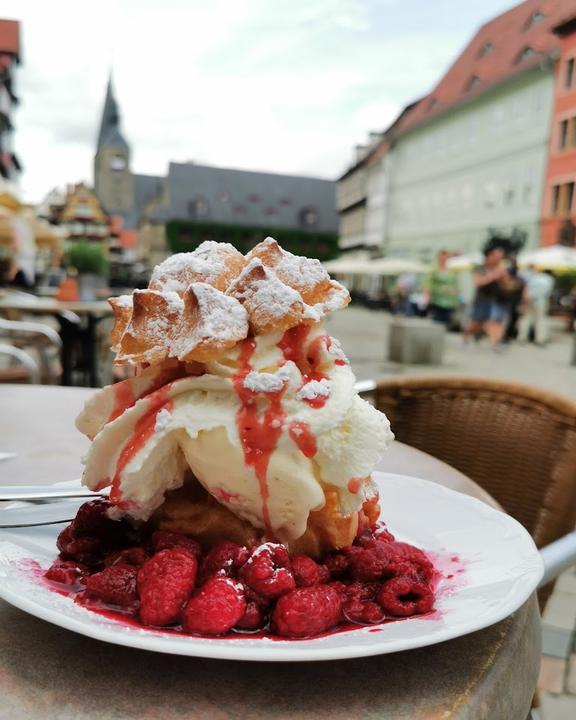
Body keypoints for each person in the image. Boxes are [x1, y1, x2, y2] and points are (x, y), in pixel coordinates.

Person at [465, 246, 510, 351]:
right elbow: (478, 282)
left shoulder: (500, 269)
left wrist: (504, 277)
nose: (499, 259)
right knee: (475, 323)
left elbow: (507, 284)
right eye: (497, 256)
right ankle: (466, 340)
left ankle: (496, 344)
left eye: (500, 257)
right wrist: (493, 275)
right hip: (481, 299)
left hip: (496, 299)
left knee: (496, 322)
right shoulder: (480, 268)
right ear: (489, 256)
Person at [517, 266, 554, 345]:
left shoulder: (535, 277)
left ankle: (522, 338)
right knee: (541, 320)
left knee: (526, 319)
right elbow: (549, 293)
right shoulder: (550, 279)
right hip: (541, 301)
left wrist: (524, 300)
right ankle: (539, 339)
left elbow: (526, 289)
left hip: (530, 299)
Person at [425, 250, 459, 325]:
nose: (444, 260)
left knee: (446, 322)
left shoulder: (451, 269)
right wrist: (427, 296)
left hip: (450, 301)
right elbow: (428, 283)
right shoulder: (434, 268)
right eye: (442, 258)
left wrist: (456, 293)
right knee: (437, 321)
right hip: (437, 300)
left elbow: (454, 283)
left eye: (446, 258)